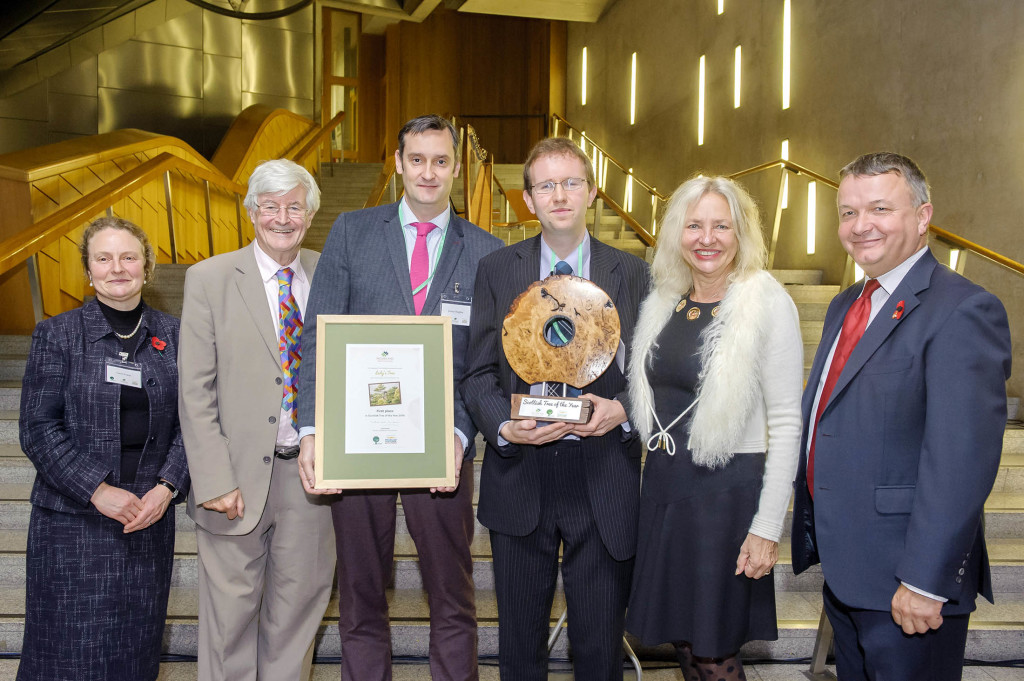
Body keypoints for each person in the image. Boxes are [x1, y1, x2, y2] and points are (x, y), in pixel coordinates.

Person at [296, 114, 502, 681]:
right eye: (417, 160)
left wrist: (461, 436)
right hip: (356, 447)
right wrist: (312, 430)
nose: (428, 172)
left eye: (440, 161)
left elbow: (485, 364)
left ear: (457, 169)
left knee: (453, 598)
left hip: (441, 449)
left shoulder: (488, 252)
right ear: (398, 163)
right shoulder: (352, 232)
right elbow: (317, 334)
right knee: (361, 599)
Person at [791, 152, 1012, 680]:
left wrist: (925, 582)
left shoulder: (962, 310)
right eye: (847, 212)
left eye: (879, 209)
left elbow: (960, 463)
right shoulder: (850, 304)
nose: (860, 225)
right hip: (850, 574)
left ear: (922, 216)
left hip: (907, 584)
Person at [460, 136, 648, 680]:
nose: (559, 194)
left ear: (591, 191)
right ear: (528, 200)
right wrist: (503, 426)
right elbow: (477, 374)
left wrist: (624, 408)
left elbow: (653, 374)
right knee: (519, 650)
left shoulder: (633, 273)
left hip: (604, 474)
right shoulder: (497, 270)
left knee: (598, 651)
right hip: (521, 474)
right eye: (546, 185)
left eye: (571, 182)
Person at [623, 176, 803, 680]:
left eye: (721, 225)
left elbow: (788, 423)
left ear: (741, 233)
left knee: (715, 649)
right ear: (676, 233)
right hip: (664, 487)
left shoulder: (765, 301)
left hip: (725, 496)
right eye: (694, 225)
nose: (707, 238)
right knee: (685, 638)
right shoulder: (666, 299)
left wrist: (766, 528)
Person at [178, 159, 335, 681]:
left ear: (311, 214)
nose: (282, 218)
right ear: (251, 212)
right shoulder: (209, 278)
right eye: (270, 206)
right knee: (229, 625)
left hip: (312, 479)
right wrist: (214, 480)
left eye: (294, 206)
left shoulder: (331, 271)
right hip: (236, 479)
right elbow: (194, 392)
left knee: (297, 617)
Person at [17, 217, 189, 680]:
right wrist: (96, 489)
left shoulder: (177, 335)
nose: (118, 268)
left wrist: (167, 487)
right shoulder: (58, 335)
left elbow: (194, 423)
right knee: (66, 653)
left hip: (148, 520)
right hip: (73, 523)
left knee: (134, 652)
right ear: (88, 271)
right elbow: (37, 428)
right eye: (104, 258)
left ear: (147, 268)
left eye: (129, 257)